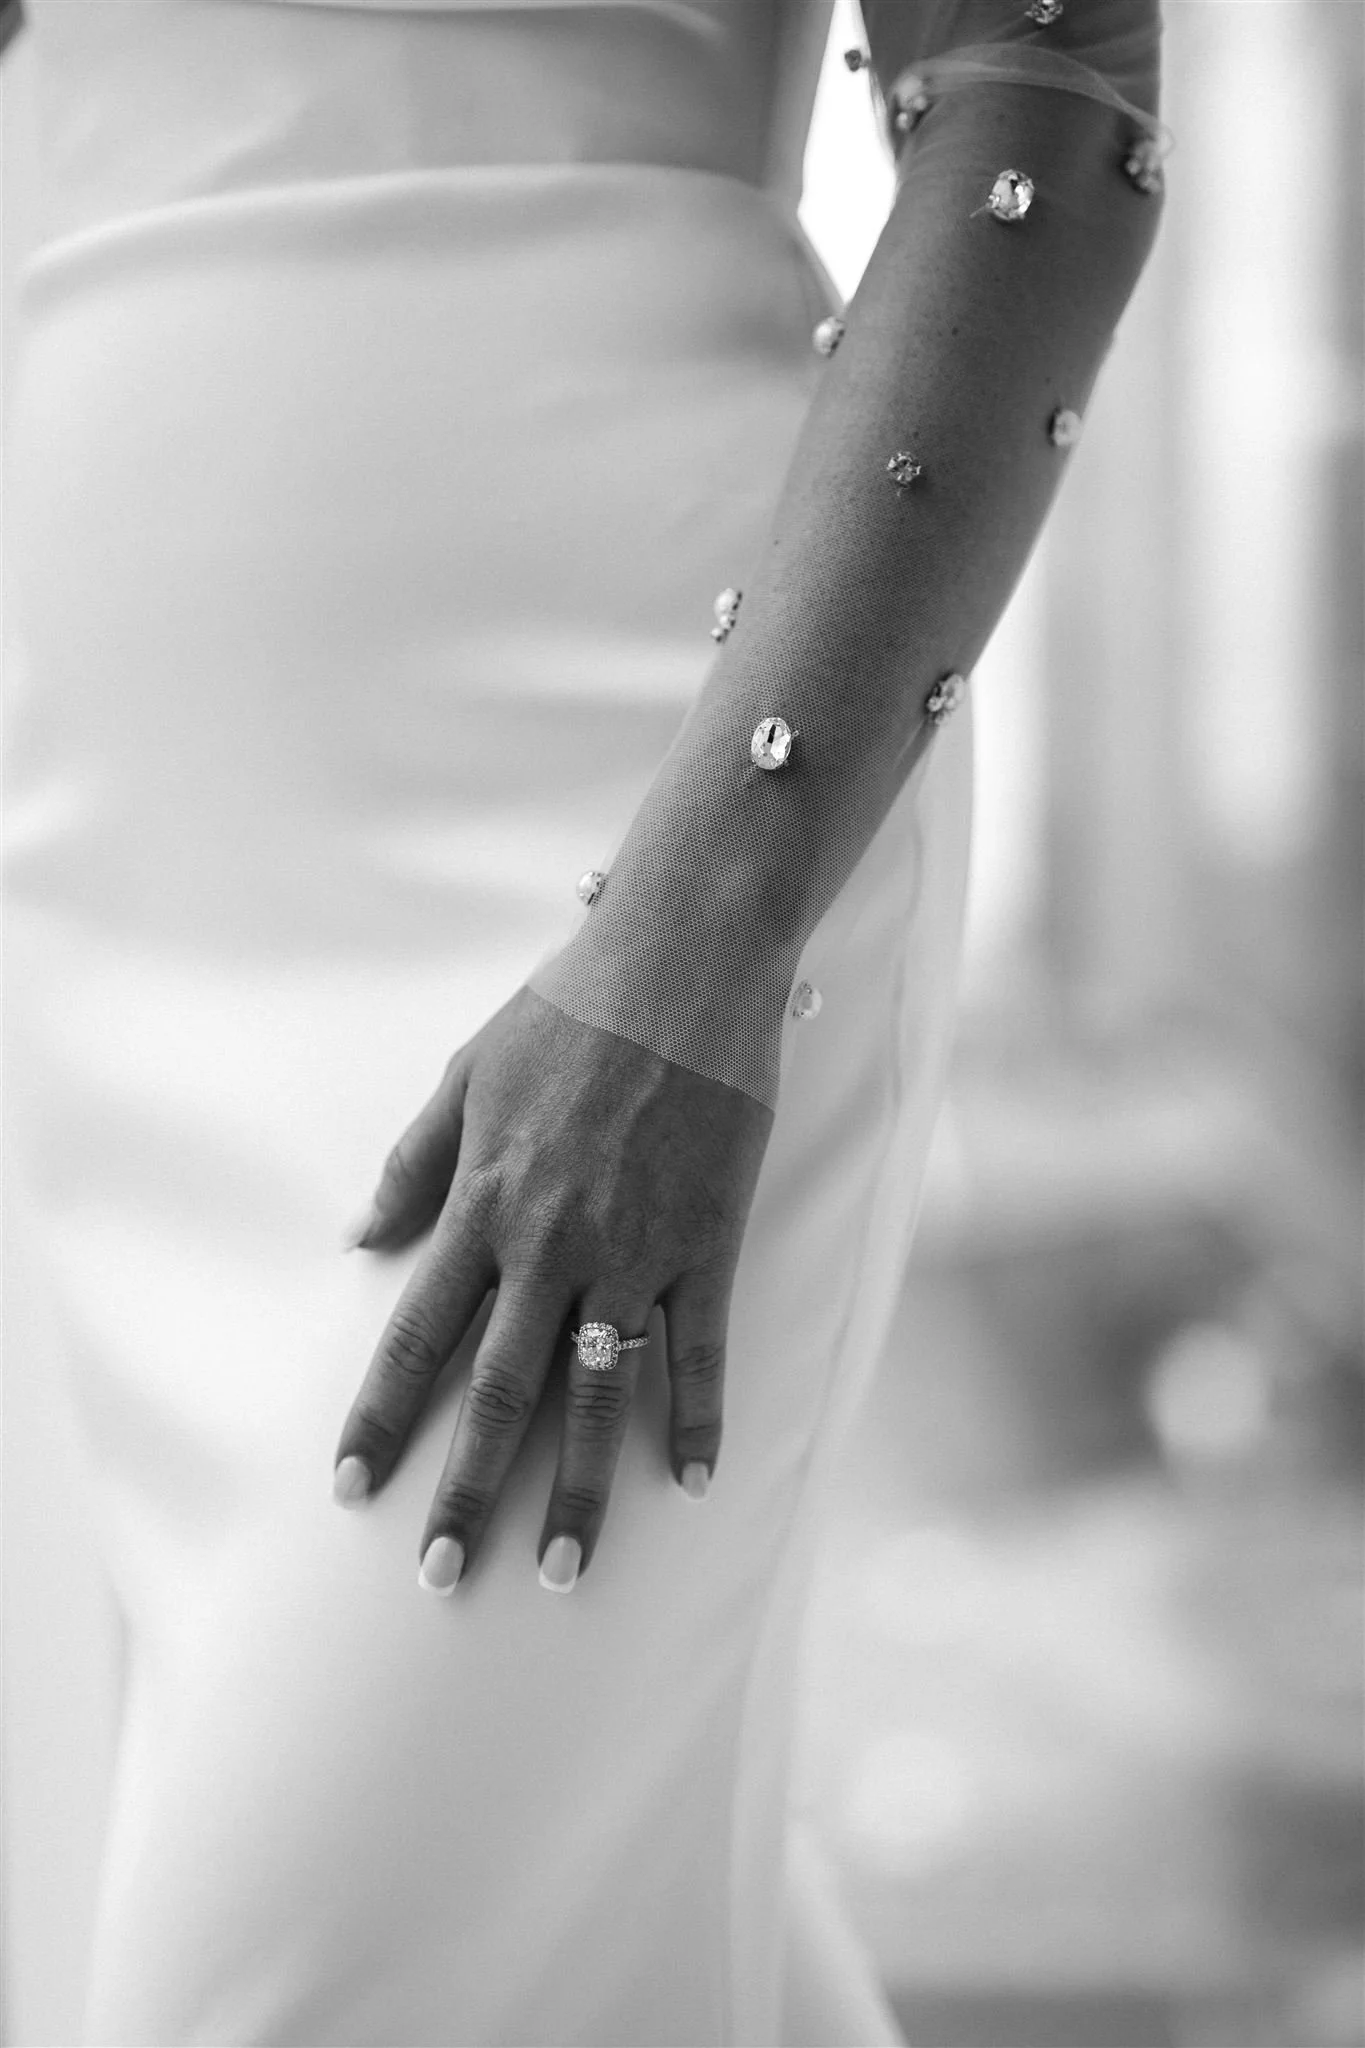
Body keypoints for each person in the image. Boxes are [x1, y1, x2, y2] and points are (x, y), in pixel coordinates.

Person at [2, 0, 1168, 2041]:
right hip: (105, 847)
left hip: (612, 807)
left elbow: (1044, 110)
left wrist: (701, 929)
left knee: (334, 1949)